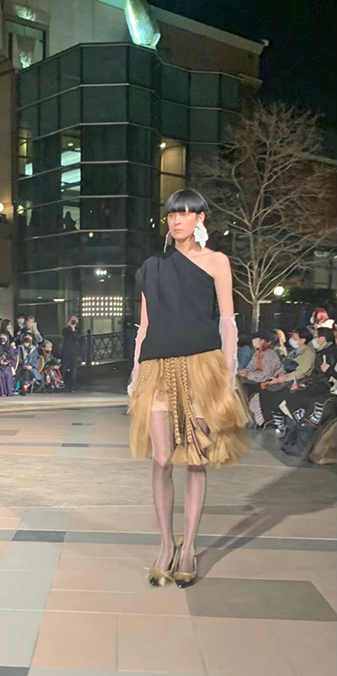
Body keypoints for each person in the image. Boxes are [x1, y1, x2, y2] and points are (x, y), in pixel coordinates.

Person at [128, 188, 248, 589]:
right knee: (161, 459)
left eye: (185, 212)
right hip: (157, 367)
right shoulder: (151, 267)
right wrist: (134, 377)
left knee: (196, 460)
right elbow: (145, 326)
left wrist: (228, 375)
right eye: (171, 213)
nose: (177, 219)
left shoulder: (216, 261)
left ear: (200, 218)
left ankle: (189, 547)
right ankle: (166, 544)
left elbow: (227, 321)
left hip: (202, 366)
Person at [258, 327, 315, 433]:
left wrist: (284, 378)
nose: (292, 340)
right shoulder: (294, 352)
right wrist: (279, 375)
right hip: (285, 379)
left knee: (279, 395)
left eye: (295, 338)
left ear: (302, 340)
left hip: (297, 380)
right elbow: (283, 366)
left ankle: (281, 423)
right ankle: (270, 420)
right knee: (265, 391)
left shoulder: (308, 353)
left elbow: (302, 371)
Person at [0, 332, 16, 396]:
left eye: (4, 338)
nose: (3, 339)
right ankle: (0, 392)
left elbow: (13, 358)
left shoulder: (10, 348)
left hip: (7, 366)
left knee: (6, 373)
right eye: (1, 338)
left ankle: (8, 392)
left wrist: (8, 362)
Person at [61, 316, 81, 392]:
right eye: (72, 320)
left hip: (74, 352)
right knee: (64, 369)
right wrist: (69, 326)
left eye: (74, 321)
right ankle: (62, 385)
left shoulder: (78, 330)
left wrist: (73, 329)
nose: (73, 322)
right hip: (66, 351)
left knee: (73, 370)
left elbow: (77, 338)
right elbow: (64, 335)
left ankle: (72, 387)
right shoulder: (66, 329)